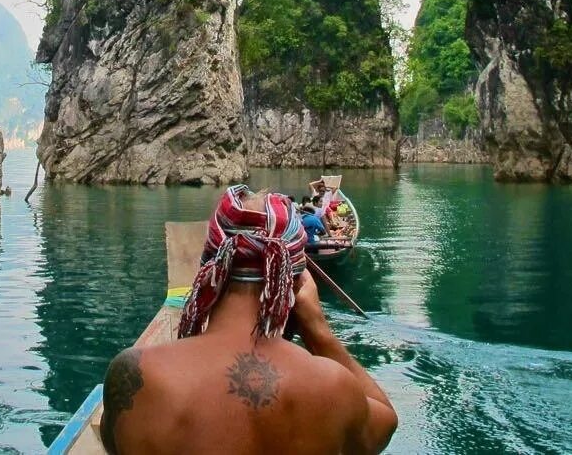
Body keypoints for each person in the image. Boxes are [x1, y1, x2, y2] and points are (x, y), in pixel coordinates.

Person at [100, 185, 397, 455]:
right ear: (294, 280)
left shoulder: (137, 377)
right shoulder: (333, 387)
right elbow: (385, 424)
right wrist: (317, 330)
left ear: (208, 269)